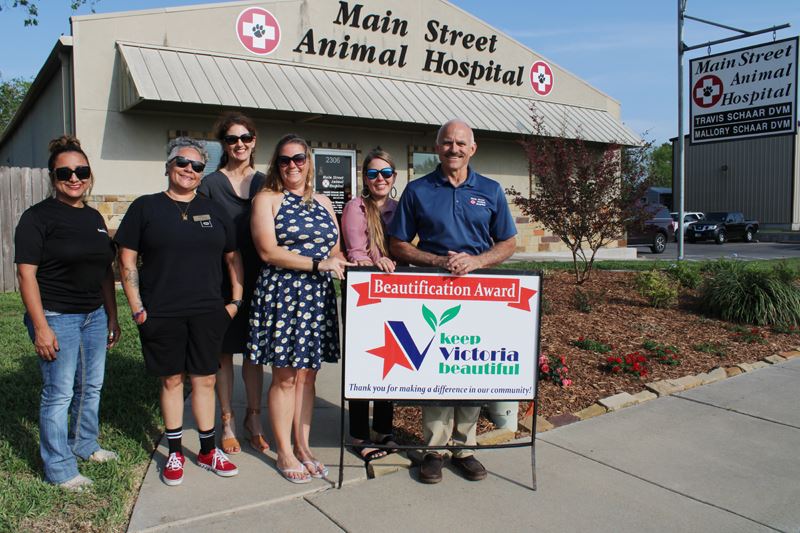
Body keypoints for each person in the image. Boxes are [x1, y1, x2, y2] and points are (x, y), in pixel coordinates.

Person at [388, 119, 517, 484]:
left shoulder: (490, 190)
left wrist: (476, 261)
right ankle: (434, 449)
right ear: (437, 147)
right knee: (437, 368)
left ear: (472, 149)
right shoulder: (418, 190)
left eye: (461, 143)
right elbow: (398, 244)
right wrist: (438, 260)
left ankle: (465, 447)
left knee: (470, 365)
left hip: (479, 295)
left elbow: (507, 242)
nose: (454, 149)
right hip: (433, 293)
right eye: (447, 143)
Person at [116, 137, 243, 486]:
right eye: (181, 163)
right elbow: (126, 258)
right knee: (172, 380)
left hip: (207, 311)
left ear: (203, 172)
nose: (188, 169)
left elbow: (232, 256)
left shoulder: (214, 209)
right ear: (168, 166)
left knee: (205, 379)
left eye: (196, 165)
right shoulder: (146, 207)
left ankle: (206, 450)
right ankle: (174, 452)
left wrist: (235, 300)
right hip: (162, 312)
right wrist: (138, 309)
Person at [15, 135, 120, 491]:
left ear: (89, 174)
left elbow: (106, 269)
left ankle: (84, 444)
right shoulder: (37, 218)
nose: (74, 178)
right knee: (59, 392)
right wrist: (42, 327)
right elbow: (25, 274)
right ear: (52, 176)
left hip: (93, 316)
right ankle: (59, 468)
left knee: (91, 386)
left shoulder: (93, 217)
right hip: (57, 315)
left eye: (81, 171)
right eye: (65, 172)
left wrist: (112, 314)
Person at [248, 134, 353, 483]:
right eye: (284, 160)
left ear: (309, 162)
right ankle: (284, 450)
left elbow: (336, 249)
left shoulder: (323, 201)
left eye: (298, 159)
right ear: (276, 165)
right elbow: (267, 252)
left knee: (308, 376)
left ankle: (303, 445)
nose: (292, 165)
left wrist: (342, 263)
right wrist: (318, 265)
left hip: (318, 298)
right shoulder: (267, 199)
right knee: (286, 376)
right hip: (283, 295)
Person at [197, 112, 268, 456]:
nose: (239, 144)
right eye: (232, 139)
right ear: (223, 144)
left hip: (262, 275)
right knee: (224, 352)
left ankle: (254, 418)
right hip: (221, 276)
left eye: (245, 138)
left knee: (254, 352)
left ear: (254, 141)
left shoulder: (267, 182)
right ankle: (227, 419)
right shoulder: (210, 184)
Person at [341, 149, 399, 461]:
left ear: (394, 177)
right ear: (364, 177)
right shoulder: (356, 207)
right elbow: (356, 251)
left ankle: (385, 430)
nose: (380, 179)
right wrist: (382, 261)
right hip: (365, 295)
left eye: (386, 173)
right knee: (364, 363)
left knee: (391, 361)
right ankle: (360, 433)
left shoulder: (399, 209)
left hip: (395, 296)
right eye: (373, 173)